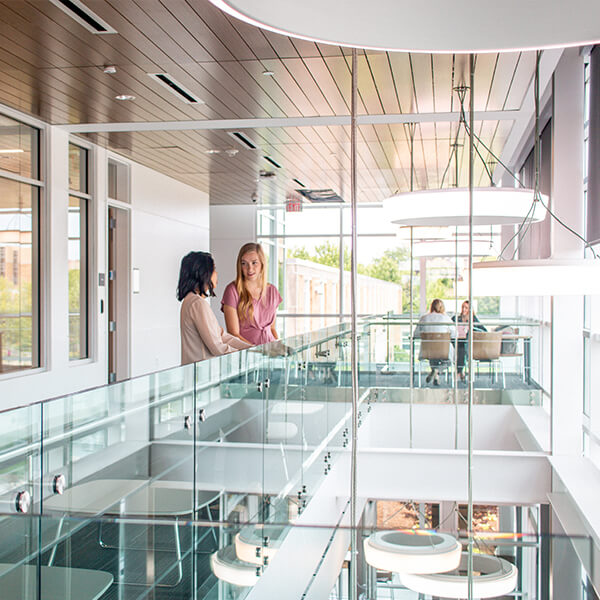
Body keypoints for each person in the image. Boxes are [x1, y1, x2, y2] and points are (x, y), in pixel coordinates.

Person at [177, 251, 250, 365]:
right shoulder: (197, 304)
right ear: (203, 273)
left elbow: (222, 336)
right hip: (202, 375)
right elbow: (217, 347)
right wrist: (247, 356)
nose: (216, 273)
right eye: (214, 269)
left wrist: (251, 349)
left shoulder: (191, 301)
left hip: (197, 374)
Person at [221, 243, 282, 346]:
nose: (250, 269)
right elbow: (233, 334)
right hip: (246, 354)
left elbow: (272, 328)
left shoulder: (272, 291)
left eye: (254, 263)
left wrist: (278, 346)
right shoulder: (232, 291)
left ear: (262, 263)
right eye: (244, 263)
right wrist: (256, 352)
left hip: (270, 353)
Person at [414, 298, 455, 386]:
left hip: (428, 350)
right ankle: (437, 370)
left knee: (432, 354)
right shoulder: (446, 318)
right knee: (449, 360)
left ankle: (435, 374)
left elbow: (416, 334)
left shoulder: (424, 318)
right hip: (443, 350)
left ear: (431, 307)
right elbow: (454, 334)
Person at [451, 300, 487, 381]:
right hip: (455, 341)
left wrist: (472, 331)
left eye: (466, 308)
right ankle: (460, 371)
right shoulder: (456, 318)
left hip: (469, 344)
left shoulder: (473, 320)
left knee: (462, 348)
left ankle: (459, 371)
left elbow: (484, 331)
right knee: (460, 347)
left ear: (470, 309)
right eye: (463, 307)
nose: (464, 309)